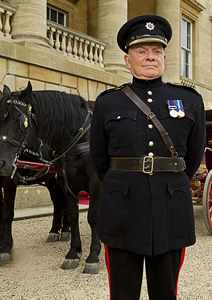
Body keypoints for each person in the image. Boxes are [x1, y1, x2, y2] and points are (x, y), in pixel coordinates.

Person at [90, 15, 205, 300]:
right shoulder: (107, 102)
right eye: (141, 51)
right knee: (123, 293)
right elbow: (99, 160)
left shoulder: (190, 100)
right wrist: (124, 183)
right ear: (128, 61)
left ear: (165, 57)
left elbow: (192, 156)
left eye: (156, 51)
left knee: (165, 292)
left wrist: (172, 180)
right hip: (122, 209)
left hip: (170, 206)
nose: (149, 57)